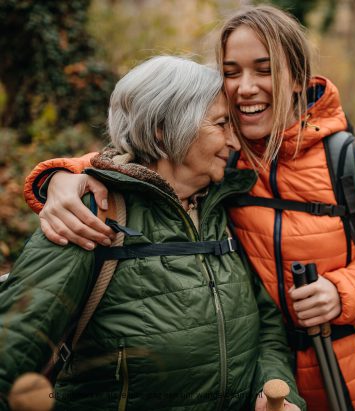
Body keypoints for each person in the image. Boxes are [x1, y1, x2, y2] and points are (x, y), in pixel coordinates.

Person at [22, 5, 355, 410]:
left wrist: (343, 292)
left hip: (346, 383)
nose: (245, 87)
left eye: (264, 70)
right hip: (251, 385)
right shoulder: (220, 156)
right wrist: (61, 176)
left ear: (299, 77)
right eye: (231, 72)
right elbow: (139, 156)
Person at [1, 55, 304, 411]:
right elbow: (12, 349)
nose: (234, 142)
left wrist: (277, 394)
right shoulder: (92, 214)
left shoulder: (222, 211)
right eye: (221, 124)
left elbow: (266, 329)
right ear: (164, 128)